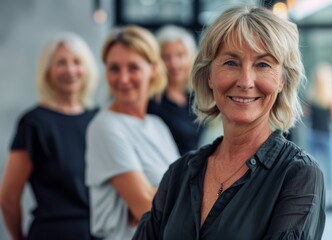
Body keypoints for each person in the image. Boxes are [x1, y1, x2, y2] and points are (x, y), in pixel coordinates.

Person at [133, 6, 326, 240]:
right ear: (209, 76)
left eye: (263, 64)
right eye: (231, 63)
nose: (245, 81)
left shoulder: (298, 175)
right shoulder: (179, 173)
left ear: (282, 81)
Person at [0, 33, 99, 240]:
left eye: (77, 62)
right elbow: (8, 197)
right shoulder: (34, 123)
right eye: (61, 63)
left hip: (101, 233)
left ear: (87, 68)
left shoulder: (100, 119)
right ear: (47, 71)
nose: (70, 70)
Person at [85, 25, 180, 240]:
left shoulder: (157, 126)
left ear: (153, 68)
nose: (123, 79)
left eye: (133, 68)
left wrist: (160, 193)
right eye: (114, 68)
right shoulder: (105, 126)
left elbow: (184, 192)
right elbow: (147, 210)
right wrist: (166, 193)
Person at [147, 25, 203, 155]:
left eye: (180, 55)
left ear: (190, 58)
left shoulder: (197, 97)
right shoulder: (152, 102)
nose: (174, 63)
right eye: (166, 57)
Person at [307, 62, 332, 203]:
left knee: (331, 166)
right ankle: (314, 190)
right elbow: (308, 114)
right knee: (312, 166)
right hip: (313, 135)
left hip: (328, 135)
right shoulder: (312, 93)